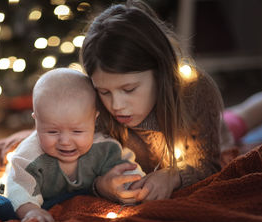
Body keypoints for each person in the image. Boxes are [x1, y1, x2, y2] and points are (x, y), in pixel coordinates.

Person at [80, 0, 228, 204]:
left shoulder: (194, 92)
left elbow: (209, 164)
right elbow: (73, 168)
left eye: (129, 89)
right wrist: (99, 185)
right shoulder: (94, 105)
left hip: (216, 130)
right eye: (104, 91)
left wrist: (174, 176)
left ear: (160, 72)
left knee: (241, 120)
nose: (116, 105)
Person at [0, 68, 145, 222]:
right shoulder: (29, 157)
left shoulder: (105, 147)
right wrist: (32, 210)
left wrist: (135, 186)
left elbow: (126, 168)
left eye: (77, 131)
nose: (65, 141)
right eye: (52, 131)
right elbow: (18, 187)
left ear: (94, 120)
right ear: (36, 121)